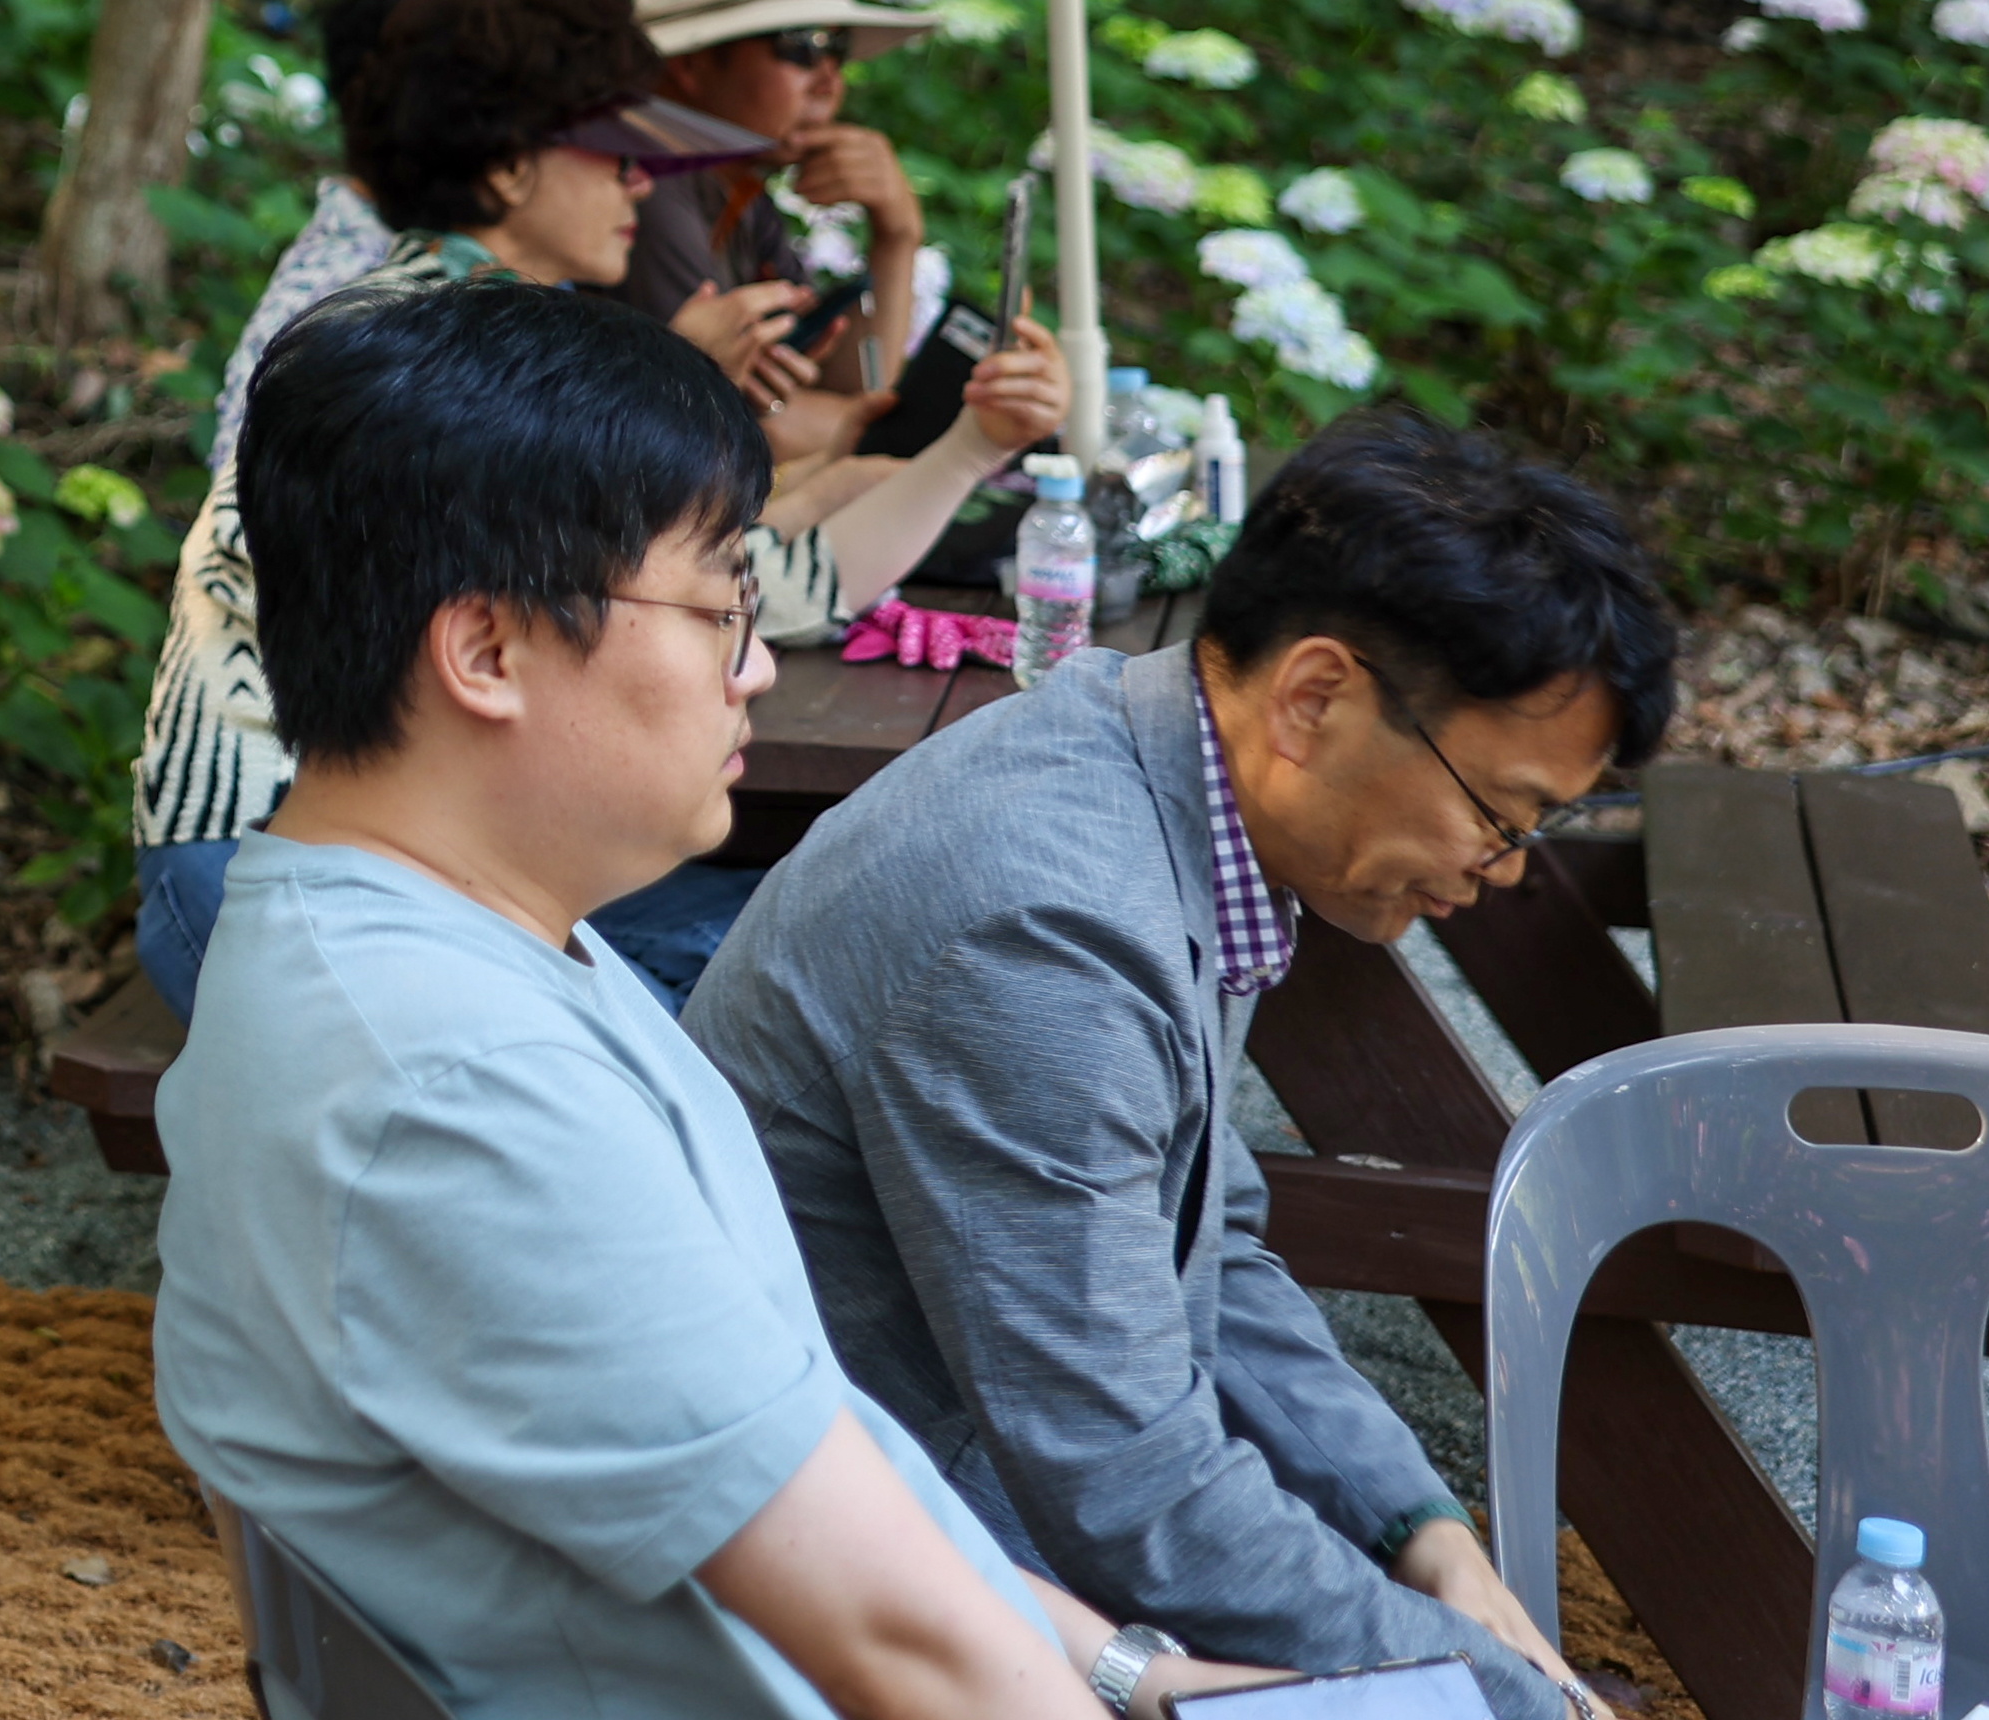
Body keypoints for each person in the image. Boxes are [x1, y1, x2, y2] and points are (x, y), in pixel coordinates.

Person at [156, 281, 1256, 1720]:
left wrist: (1142, 1676)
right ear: (485, 649)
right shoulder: (454, 1082)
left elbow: (809, 1445)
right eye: (722, 600)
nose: (752, 666)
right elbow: (905, 1653)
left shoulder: (450, 944)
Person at [686, 408, 1672, 1719]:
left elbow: (1213, 1241)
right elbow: (1128, 1485)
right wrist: (1506, 1693)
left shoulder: (1148, 755)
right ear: (1314, 698)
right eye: (1498, 814)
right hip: (859, 1603)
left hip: (973, 1531)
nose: (1499, 873)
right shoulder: (1048, 926)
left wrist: (1416, 1532)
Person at [132, 0, 1065, 1019]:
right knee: (839, 989)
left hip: (419, 846)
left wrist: (968, 447)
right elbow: (775, 579)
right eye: (615, 152)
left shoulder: (468, 319)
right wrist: (957, 454)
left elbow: (751, 572)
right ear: (510, 167)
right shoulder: (420, 349)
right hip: (274, 864)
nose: (641, 179)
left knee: (853, 941)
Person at [624, 0, 955, 479]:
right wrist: (927, 433)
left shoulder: (740, 193)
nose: (830, 79)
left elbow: (847, 384)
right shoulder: (650, 188)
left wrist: (897, 235)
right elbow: (747, 426)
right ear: (693, 67)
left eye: (839, 48)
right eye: (803, 45)